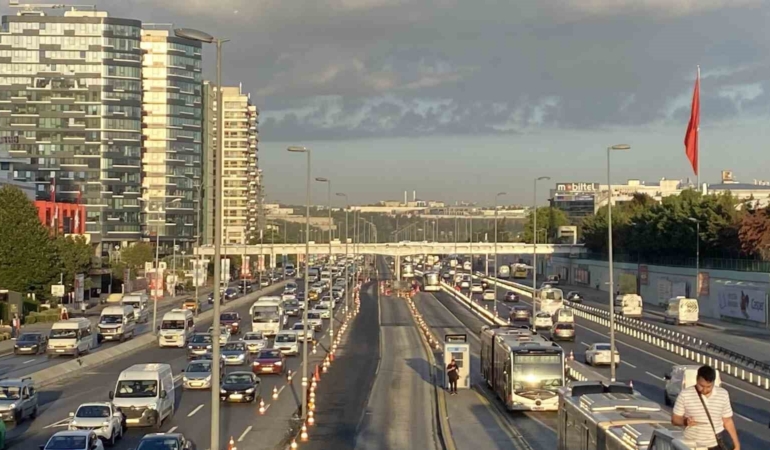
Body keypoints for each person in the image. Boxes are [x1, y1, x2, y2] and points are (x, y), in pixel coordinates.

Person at [672, 365, 740, 450]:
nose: (704, 390)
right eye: (701, 386)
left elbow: (727, 421)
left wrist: (736, 445)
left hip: (715, 445)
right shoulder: (685, 394)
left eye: (708, 387)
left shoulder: (723, 394)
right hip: (692, 444)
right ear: (697, 380)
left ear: (713, 383)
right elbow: (675, 419)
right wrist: (685, 421)